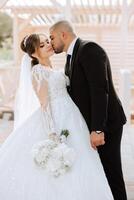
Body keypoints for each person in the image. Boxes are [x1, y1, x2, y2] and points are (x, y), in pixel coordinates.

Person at [0, 33, 114, 200]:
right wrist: (52, 134)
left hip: (71, 115)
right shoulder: (38, 71)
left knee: (82, 158)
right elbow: (44, 105)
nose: (48, 45)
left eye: (47, 41)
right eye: (42, 45)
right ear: (33, 53)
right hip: (57, 118)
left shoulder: (52, 68)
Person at [49, 20, 127, 200]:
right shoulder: (70, 57)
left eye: (52, 38)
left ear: (63, 34)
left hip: (106, 125)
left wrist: (97, 129)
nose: (51, 42)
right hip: (91, 125)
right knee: (100, 175)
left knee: (111, 173)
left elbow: (100, 90)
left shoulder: (89, 49)